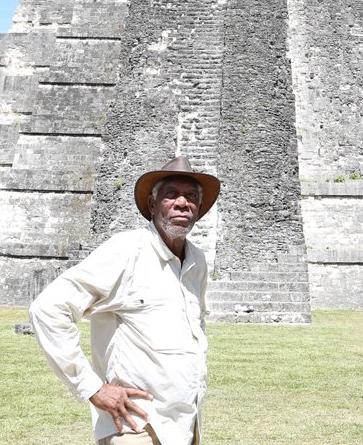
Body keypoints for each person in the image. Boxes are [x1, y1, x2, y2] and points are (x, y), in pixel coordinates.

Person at [29, 156, 220, 445]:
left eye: (191, 196)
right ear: (153, 206)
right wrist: (93, 388)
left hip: (184, 423)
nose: (183, 202)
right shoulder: (127, 250)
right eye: (171, 195)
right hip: (136, 425)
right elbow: (48, 309)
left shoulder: (197, 261)